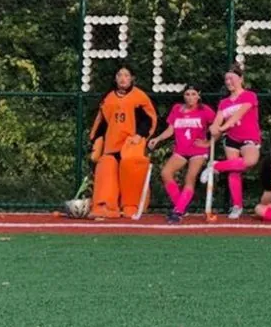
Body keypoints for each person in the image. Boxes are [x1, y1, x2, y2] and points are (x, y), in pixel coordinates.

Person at [88, 65, 158, 219]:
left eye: (126, 75)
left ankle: (132, 206)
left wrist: (140, 135)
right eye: (119, 75)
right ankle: (105, 206)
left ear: (132, 78)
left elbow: (148, 119)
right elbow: (101, 123)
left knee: (131, 168)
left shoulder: (139, 97)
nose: (123, 78)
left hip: (131, 143)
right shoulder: (108, 98)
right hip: (112, 144)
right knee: (106, 166)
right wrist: (95, 141)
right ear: (115, 78)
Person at [199, 64, 261, 219]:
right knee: (234, 171)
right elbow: (218, 120)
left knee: (250, 161)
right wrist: (214, 127)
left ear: (241, 79)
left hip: (249, 138)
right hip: (232, 139)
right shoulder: (224, 102)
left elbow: (238, 115)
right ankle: (237, 206)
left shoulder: (249, 96)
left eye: (231, 78)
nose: (228, 82)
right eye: (226, 79)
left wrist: (222, 127)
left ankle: (215, 166)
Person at [147, 85, 216, 223]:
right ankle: (181, 205)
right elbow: (170, 129)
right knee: (165, 173)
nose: (190, 97)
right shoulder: (177, 109)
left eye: (193, 94)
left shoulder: (204, 110)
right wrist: (158, 139)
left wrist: (208, 142)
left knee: (189, 178)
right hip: (181, 150)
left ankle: (178, 211)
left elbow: (217, 127)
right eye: (187, 94)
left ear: (198, 95)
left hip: (198, 151)